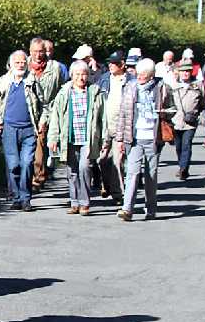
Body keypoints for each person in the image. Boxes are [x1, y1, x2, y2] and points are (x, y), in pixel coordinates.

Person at [114, 58, 174, 221]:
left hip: (153, 138)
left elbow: (172, 109)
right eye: (138, 73)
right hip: (134, 137)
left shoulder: (162, 88)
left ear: (151, 75)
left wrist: (163, 112)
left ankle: (151, 209)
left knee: (151, 175)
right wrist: (120, 139)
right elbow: (123, 114)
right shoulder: (130, 87)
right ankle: (127, 209)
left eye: (144, 75)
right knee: (132, 173)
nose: (139, 77)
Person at [48, 61, 105, 216]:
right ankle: (74, 202)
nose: (81, 77)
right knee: (72, 171)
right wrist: (53, 138)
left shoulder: (95, 92)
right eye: (77, 74)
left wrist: (104, 139)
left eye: (84, 74)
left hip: (88, 138)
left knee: (85, 168)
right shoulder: (64, 93)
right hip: (69, 138)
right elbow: (55, 117)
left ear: (88, 75)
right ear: (72, 75)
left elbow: (103, 118)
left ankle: (84, 203)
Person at [0, 50, 43, 212]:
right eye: (17, 62)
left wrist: (42, 121)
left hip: (29, 129)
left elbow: (43, 103)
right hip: (9, 129)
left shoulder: (32, 81)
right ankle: (16, 197)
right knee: (13, 165)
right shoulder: (4, 81)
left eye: (23, 62)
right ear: (11, 64)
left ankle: (25, 199)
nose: (20, 65)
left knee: (27, 163)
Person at [96, 50, 135, 203]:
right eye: (109, 63)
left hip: (122, 127)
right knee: (102, 159)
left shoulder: (131, 81)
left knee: (118, 161)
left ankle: (118, 194)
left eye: (114, 63)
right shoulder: (104, 79)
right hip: (105, 125)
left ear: (122, 64)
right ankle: (107, 184)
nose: (111, 66)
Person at [28, 37, 65, 190]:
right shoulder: (24, 66)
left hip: (48, 110)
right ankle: (29, 175)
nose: (38, 55)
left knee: (40, 141)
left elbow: (61, 89)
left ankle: (38, 178)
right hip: (28, 111)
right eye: (35, 51)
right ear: (30, 51)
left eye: (41, 51)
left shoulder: (55, 68)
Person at [170, 62, 205, 179]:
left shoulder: (198, 85)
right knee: (178, 146)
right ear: (179, 73)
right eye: (183, 71)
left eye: (188, 71)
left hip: (190, 121)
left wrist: (197, 113)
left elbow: (203, 102)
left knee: (187, 144)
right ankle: (181, 164)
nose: (185, 73)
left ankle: (184, 169)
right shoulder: (173, 86)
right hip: (176, 120)